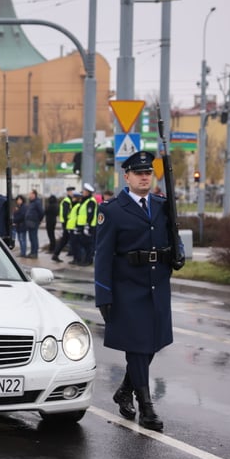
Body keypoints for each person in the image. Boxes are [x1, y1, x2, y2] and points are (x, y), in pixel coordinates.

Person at [95, 151, 184, 432]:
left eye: (148, 172)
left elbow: (174, 236)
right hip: (127, 288)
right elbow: (103, 256)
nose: (145, 177)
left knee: (151, 345)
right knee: (137, 346)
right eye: (139, 173)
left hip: (157, 285)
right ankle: (146, 406)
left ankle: (125, 390)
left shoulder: (161, 205)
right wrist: (104, 295)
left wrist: (179, 253)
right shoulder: (112, 210)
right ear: (127, 176)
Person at [74, 183, 98, 266]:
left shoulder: (91, 201)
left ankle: (88, 260)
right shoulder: (85, 201)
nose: (82, 192)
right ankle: (84, 260)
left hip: (88, 226)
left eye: (84, 191)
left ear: (88, 192)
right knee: (83, 243)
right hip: (82, 225)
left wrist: (87, 226)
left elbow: (90, 214)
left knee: (88, 244)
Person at [52, 186, 75, 262]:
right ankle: (56, 254)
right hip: (66, 224)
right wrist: (68, 222)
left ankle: (56, 254)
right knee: (65, 240)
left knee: (65, 240)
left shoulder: (69, 200)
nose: (73, 193)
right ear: (68, 192)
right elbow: (65, 214)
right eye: (71, 191)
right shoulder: (67, 201)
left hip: (67, 223)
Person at [24, 189, 44, 259]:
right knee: (31, 238)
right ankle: (32, 252)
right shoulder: (32, 202)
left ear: (34, 195)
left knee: (34, 238)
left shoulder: (37, 202)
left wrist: (39, 220)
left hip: (34, 223)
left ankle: (34, 253)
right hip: (29, 223)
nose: (29, 195)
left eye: (31, 194)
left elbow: (41, 212)